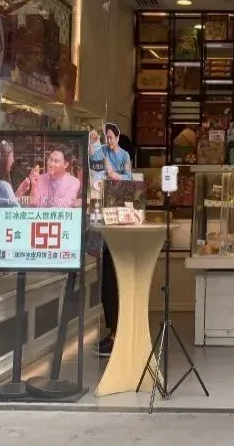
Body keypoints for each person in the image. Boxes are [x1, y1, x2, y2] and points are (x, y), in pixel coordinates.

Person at [96, 124, 134, 358]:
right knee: (111, 285)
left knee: (112, 284)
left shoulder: (123, 179)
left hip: (117, 238)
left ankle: (116, 335)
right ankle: (115, 333)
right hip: (112, 237)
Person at [15, 146, 81, 208]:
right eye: (50, 159)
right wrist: (34, 186)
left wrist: (42, 202)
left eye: (56, 161)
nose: (51, 164)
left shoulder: (74, 182)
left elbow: (65, 204)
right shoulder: (40, 179)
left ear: (65, 165)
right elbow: (33, 205)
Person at [0, 139, 20, 207]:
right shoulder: (4, 187)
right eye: (12, 155)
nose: (13, 160)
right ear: (4, 158)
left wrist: (19, 192)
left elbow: (9, 202)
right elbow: (17, 211)